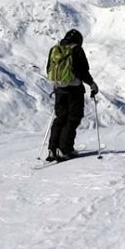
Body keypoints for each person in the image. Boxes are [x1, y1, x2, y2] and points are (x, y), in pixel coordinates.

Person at [45, 29, 99, 162]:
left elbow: (48, 69)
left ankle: (52, 149)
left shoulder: (55, 49)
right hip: (74, 90)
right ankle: (65, 150)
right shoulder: (76, 50)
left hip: (59, 89)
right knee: (72, 119)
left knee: (60, 118)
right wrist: (91, 84)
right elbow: (82, 70)